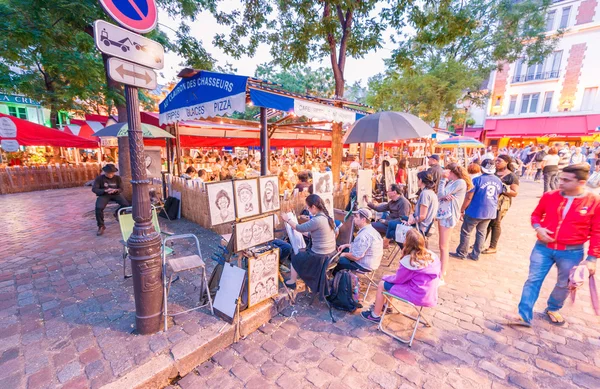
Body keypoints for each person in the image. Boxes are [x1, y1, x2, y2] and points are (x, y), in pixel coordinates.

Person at [509, 164, 598, 327]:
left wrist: (592, 258)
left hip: (572, 252)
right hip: (543, 247)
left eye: (566, 180)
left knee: (564, 284)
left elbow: (597, 231)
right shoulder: (550, 196)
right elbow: (536, 215)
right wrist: (538, 228)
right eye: (560, 178)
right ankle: (524, 315)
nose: (560, 182)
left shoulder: (593, 202)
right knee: (533, 280)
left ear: (581, 182)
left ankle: (553, 308)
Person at [360, 229, 440, 323]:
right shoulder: (431, 255)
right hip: (428, 293)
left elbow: (398, 279)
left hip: (417, 294)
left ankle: (375, 315)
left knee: (382, 284)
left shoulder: (410, 261)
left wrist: (386, 277)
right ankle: (387, 306)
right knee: (393, 282)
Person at [280, 194, 337, 291]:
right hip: (331, 255)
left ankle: (292, 282)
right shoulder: (326, 217)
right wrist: (305, 234)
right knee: (301, 252)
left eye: (308, 207)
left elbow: (299, 227)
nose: (307, 209)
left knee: (296, 256)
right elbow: (319, 235)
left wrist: (287, 219)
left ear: (314, 207)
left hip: (320, 258)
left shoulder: (317, 220)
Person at [451, 159, 503, 261]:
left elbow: (469, 197)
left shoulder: (476, 180)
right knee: (481, 233)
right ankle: (475, 255)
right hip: (490, 211)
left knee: (466, 232)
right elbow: (497, 195)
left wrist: (462, 209)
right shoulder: (498, 181)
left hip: (475, 211)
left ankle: (462, 253)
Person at [437, 163, 472, 285]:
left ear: (451, 171)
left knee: (443, 246)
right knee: (441, 245)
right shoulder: (453, 182)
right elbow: (440, 196)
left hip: (449, 216)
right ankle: (442, 270)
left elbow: (441, 194)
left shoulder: (459, 182)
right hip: (444, 214)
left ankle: (441, 274)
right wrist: (443, 194)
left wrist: (442, 179)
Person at [482, 155, 520, 254]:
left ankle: (493, 246)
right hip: (489, 201)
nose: (497, 162)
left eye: (499, 161)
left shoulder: (512, 176)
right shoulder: (493, 172)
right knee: (485, 222)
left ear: (506, 162)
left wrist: (502, 188)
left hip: (501, 203)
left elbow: (515, 193)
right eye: (496, 161)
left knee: (495, 223)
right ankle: (480, 243)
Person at [335, 208, 383, 273]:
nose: (354, 218)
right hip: (373, 262)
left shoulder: (363, 235)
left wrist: (344, 254)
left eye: (356, 217)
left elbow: (356, 257)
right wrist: (346, 245)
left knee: (337, 261)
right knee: (345, 249)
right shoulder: (371, 230)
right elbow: (361, 246)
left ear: (363, 220)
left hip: (364, 266)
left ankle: (341, 280)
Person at [92, 164, 130, 236]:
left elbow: (121, 188)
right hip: (104, 195)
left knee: (126, 205)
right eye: (109, 173)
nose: (110, 175)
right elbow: (94, 189)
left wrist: (116, 190)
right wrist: (105, 191)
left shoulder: (117, 178)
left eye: (112, 173)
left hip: (115, 194)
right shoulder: (99, 178)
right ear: (105, 172)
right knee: (98, 208)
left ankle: (116, 213)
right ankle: (101, 226)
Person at [407, 171, 439, 236]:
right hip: (426, 225)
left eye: (417, 180)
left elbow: (422, 216)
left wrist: (410, 222)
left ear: (420, 180)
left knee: (393, 226)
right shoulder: (431, 192)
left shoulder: (425, 193)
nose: (416, 181)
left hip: (422, 227)